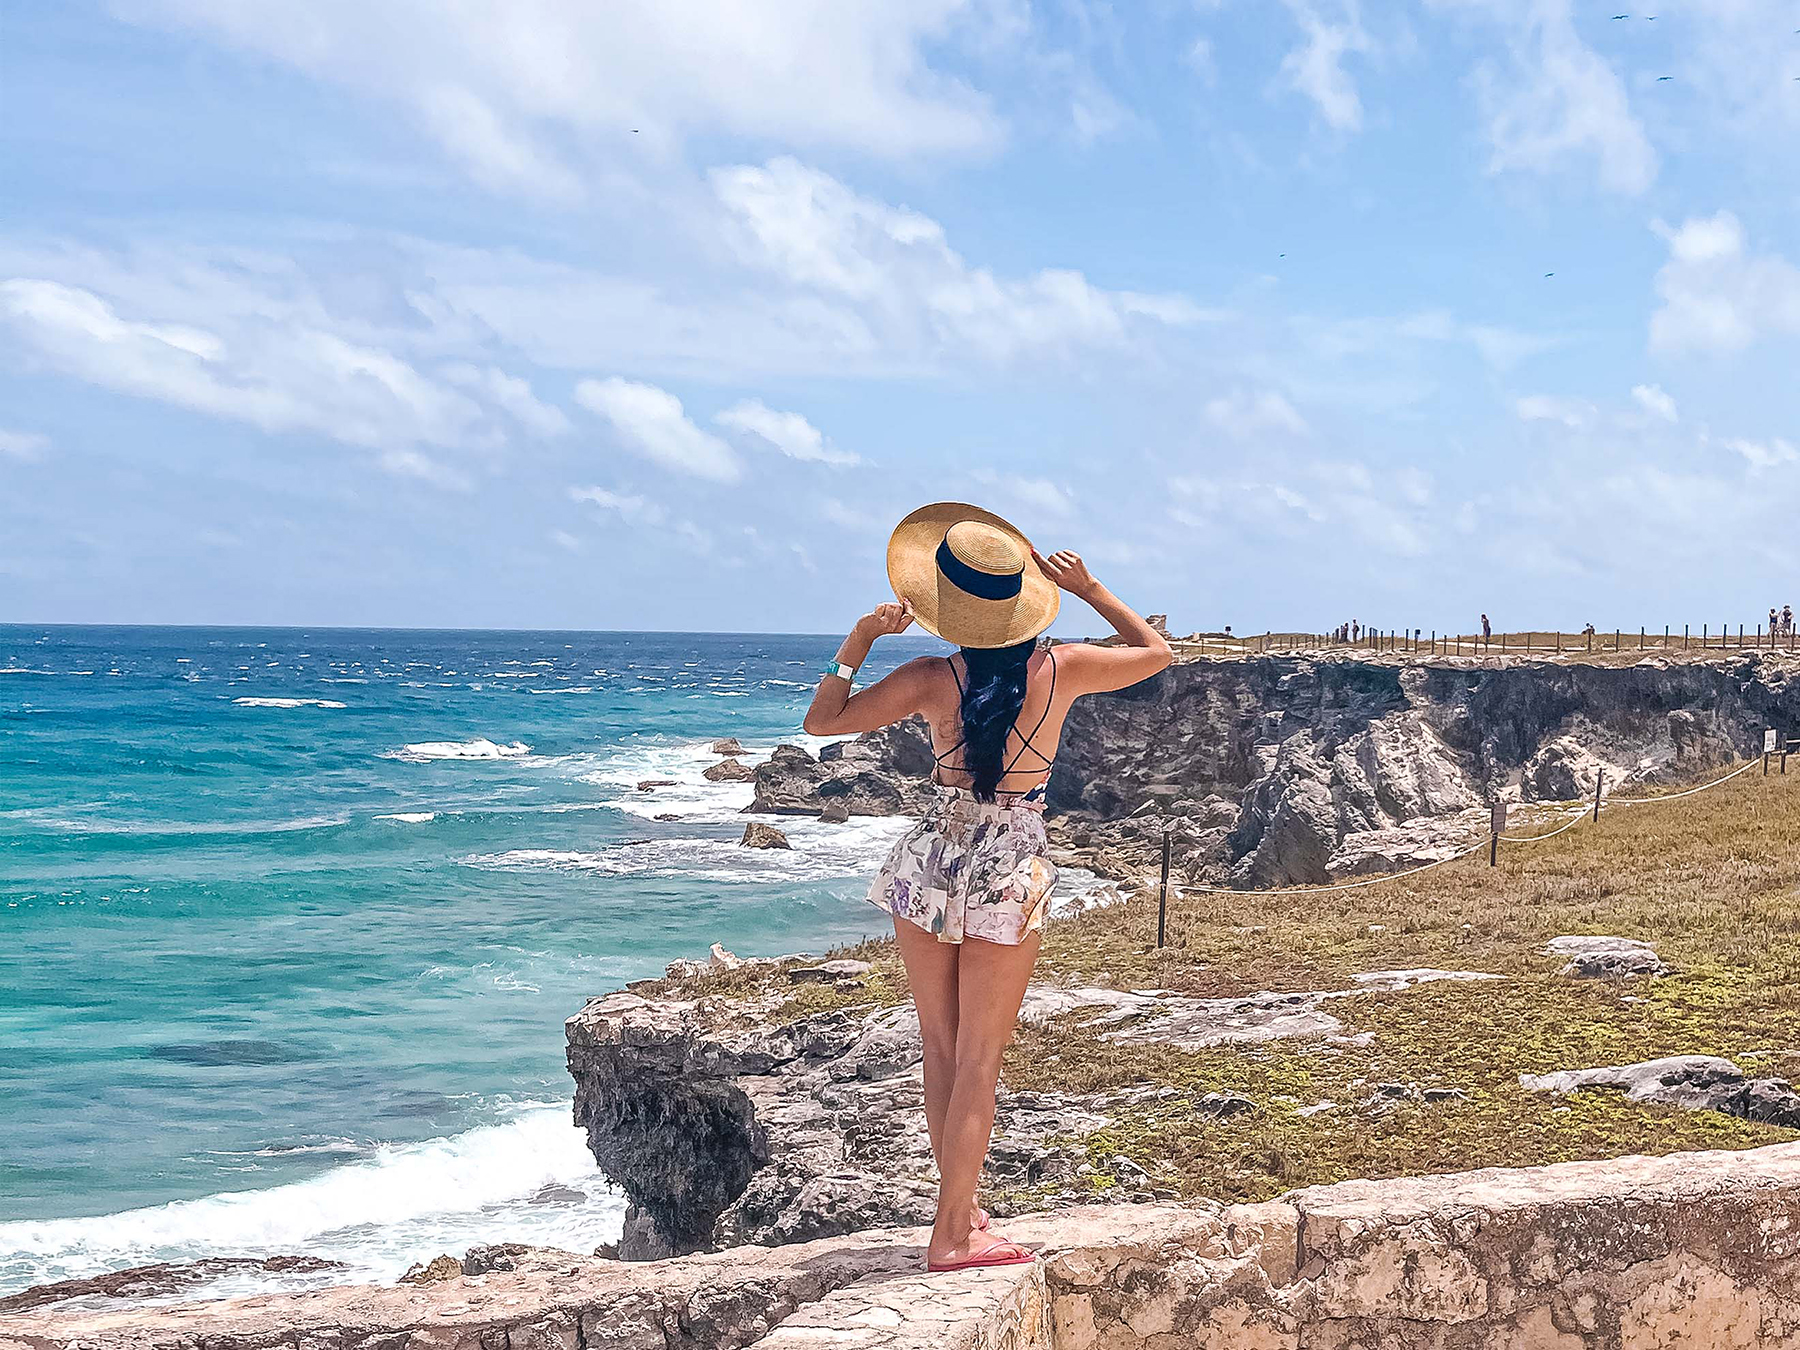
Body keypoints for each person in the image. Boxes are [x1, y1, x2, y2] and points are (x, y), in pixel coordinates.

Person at [802, 503, 1171, 1273]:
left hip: (932, 856)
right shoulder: (1064, 667)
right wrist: (1094, 587)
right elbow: (1155, 651)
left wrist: (861, 639)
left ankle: (960, 1208)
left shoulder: (931, 677)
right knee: (980, 1062)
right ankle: (953, 1236)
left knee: (941, 1048)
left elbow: (822, 722)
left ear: (950, 608)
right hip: (1009, 864)